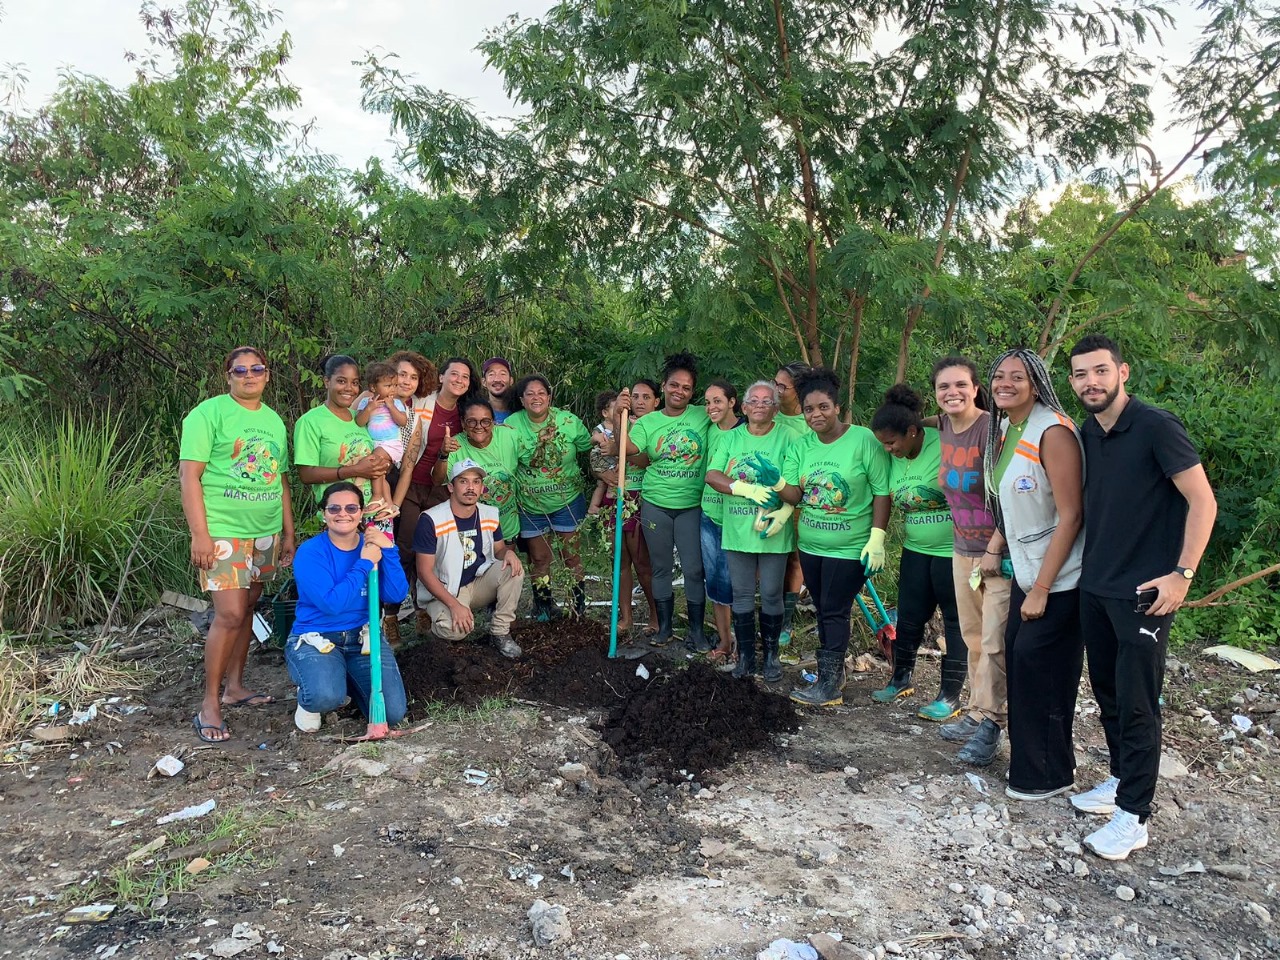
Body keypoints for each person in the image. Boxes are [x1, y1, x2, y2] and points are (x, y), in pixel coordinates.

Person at [1067, 334, 1217, 859]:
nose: (1092, 382)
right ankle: (1118, 780)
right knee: (1107, 692)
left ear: (1122, 372)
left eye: (1101, 371)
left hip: (1145, 592)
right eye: (1082, 374)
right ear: (1072, 382)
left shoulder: (1156, 426)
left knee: (1137, 703)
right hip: (1096, 584)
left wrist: (1182, 574)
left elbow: (1203, 501)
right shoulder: (1086, 431)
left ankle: (1134, 815)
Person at [983, 348, 1085, 802]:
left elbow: (1071, 515)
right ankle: (1033, 766)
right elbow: (1012, 504)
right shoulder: (1007, 427)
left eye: (1017, 377)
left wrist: (1042, 587)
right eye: (999, 376)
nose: (1005, 383)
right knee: (1021, 664)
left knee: (1044, 673)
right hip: (1027, 572)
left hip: (1059, 578)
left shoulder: (1054, 432)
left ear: (1037, 383)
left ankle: (1048, 774)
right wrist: (999, 546)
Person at [179, 347, 295, 743]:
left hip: (264, 530)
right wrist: (200, 534)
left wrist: (288, 532)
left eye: (257, 369)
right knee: (228, 613)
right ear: (228, 375)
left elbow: (279, 479)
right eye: (240, 370)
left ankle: (236, 687)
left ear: (267, 374)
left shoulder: (274, 421)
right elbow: (189, 476)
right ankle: (209, 704)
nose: (249, 375)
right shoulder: (208, 414)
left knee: (247, 608)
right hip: (223, 531)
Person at [780, 368, 891, 707]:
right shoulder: (801, 446)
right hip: (811, 545)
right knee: (824, 607)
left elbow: (882, 492)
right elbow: (795, 495)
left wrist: (877, 538)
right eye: (809, 409)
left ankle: (829, 686)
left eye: (823, 407)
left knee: (834, 609)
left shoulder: (863, 441)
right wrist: (773, 484)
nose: (816, 414)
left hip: (850, 546)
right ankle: (832, 672)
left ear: (838, 407)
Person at [929, 356, 1013, 765]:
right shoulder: (944, 425)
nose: (953, 393)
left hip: (998, 552)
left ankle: (993, 726)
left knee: (996, 641)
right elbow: (922, 422)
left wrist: (996, 547)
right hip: (962, 550)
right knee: (974, 637)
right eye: (944, 387)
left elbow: (1012, 496)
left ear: (977, 388)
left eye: (961, 385)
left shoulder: (993, 430)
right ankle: (978, 711)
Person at [870, 384, 967, 720]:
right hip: (915, 549)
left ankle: (950, 696)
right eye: (883, 442)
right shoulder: (892, 457)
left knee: (955, 623)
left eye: (892, 441)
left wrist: (927, 420)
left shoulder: (944, 443)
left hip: (952, 552)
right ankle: (900, 678)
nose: (888, 448)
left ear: (913, 432)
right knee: (909, 618)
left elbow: (963, 418)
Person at [285, 482, 408, 733]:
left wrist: (389, 550)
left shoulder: (372, 546)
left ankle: (341, 676)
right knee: (325, 697)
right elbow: (332, 604)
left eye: (352, 508)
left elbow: (395, 594)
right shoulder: (310, 552)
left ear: (361, 513)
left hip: (363, 636)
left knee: (393, 712)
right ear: (323, 514)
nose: (343, 514)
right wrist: (364, 564)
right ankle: (312, 691)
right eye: (334, 508)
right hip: (318, 638)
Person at [294, 355, 396, 639]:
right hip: (338, 518)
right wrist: (352, 470)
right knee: (342, 585)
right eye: (341, 381)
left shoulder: (359, 418)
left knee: (372, 581)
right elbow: (306, 473)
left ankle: (369, 640)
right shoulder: (311, 422)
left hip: (370, 514)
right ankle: (333, 642)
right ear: (326, 382)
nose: (349, 388)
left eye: (354, 382)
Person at [617, 353, 712, 649]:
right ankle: (665, 629)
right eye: (674, 385)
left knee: (694, 568)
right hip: (656, 502)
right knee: (660, 568)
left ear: (692, 391)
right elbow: (630, 449)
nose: (679, 391)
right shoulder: (649, 422)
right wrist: (619, 418)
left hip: (691, 505)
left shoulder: (701, 415)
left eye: (686, 387)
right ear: (664, 386)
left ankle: (696, 630)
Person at [706, 379, 798, 681]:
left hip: (773, 530)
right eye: (754, 401)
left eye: (767, 401)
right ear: (743, 407)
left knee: (772, 593)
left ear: (775, 408)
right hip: (737, 530)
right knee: (742, 593)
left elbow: (796, 485)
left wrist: (785, 506)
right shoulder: (731, 439)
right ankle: (746, 656)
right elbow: (712, 475)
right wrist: (743, 488)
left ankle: (771, 656)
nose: (760, 406)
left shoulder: (787, 438)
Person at [394, 357, 476, 631]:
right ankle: (392, 613)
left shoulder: (465, 414)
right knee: (405, 547)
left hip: (442, 490)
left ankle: (424, 609)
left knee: (435, 551)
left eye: (465, 377)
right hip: (410, 484)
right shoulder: (422, 403)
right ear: (441, 377)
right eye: (454, 374)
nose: (459, 380)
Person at [414, 459, 526, 658]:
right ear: (451, 487)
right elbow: (424, 571)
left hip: (478, 581)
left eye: (476, 482)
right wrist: (454, 605)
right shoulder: (431, 519)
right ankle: (432, 624)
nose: (470, 488)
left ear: (482, 488)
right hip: (447, 589)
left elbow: (499, 549)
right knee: (457, 630)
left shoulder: (489, 513)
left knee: (513, 569)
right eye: (463, 481)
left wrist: (507, 553)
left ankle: (500, 632)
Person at [505, 374, 593, 620]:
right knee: (540, 557)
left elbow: (591, 448)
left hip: (568, 500)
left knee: (571, 556)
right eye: (530, 394)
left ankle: (578, 607)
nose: (536, 398)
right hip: (531, 504)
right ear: (522, 400)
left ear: (549, 397)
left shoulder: (568, 421)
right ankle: (543, 606)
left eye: (541, 393)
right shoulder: (512, 425)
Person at [588, 390, 653, 635]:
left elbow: (646, 460)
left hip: (639, 497)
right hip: (614, 497)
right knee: (620, 560)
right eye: (635, 398)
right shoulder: (614, 426)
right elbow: (596, 458)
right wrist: (601, 471)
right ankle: (625, 617)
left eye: (646, 398)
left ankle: (655, 617)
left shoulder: (652, 425)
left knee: (642, 562)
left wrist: (620, 449)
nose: (639, 403)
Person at [698, 379, 744, 664]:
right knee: (714, 580)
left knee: (735, 582)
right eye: (707, 402)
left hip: (736, 518)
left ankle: (742, 643)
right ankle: (724, 641)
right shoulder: (709, 430)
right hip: (708, 513)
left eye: (717, 401)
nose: (711, 407)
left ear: (732, 402)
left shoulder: (747, 431)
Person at [772, 362, 810, 654]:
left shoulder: (809, 422)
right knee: (766, 557)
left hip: (798, 498)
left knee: (795, 560)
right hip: (764, 498)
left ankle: (785, 620)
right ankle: (762, 614)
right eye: (775, 383)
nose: (776, 390)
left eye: (782, 386)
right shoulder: (766, 411)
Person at [448, 398, 522, 545]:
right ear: (463, 423)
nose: (479, 426)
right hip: (471, 528)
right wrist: (443, 455)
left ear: (493, 422)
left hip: (506, 525)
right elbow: (437, 480)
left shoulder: (509, 436)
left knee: (505, 565)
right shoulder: (454, 445)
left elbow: (532, 459)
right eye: (472, 421)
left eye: (485, 421)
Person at [355, 360, 409, 515]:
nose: (392, 389)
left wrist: (391, 406)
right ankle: (390, 506)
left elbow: (403, 422)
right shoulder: (366, 402)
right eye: (387, 386)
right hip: (375, 445)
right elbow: (359, 422)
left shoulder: (397, 403)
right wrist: (369, 408)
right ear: (373, 387)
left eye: (394, 385)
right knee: (380, 475)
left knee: (375, 463)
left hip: (390, 444)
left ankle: (377, 496)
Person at [483, 356, 516, 424]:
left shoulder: (521, 411)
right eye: (491, 374)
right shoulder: (477, 412)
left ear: (511, 381)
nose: (497, 379)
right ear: (484, 382)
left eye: (503, 374)